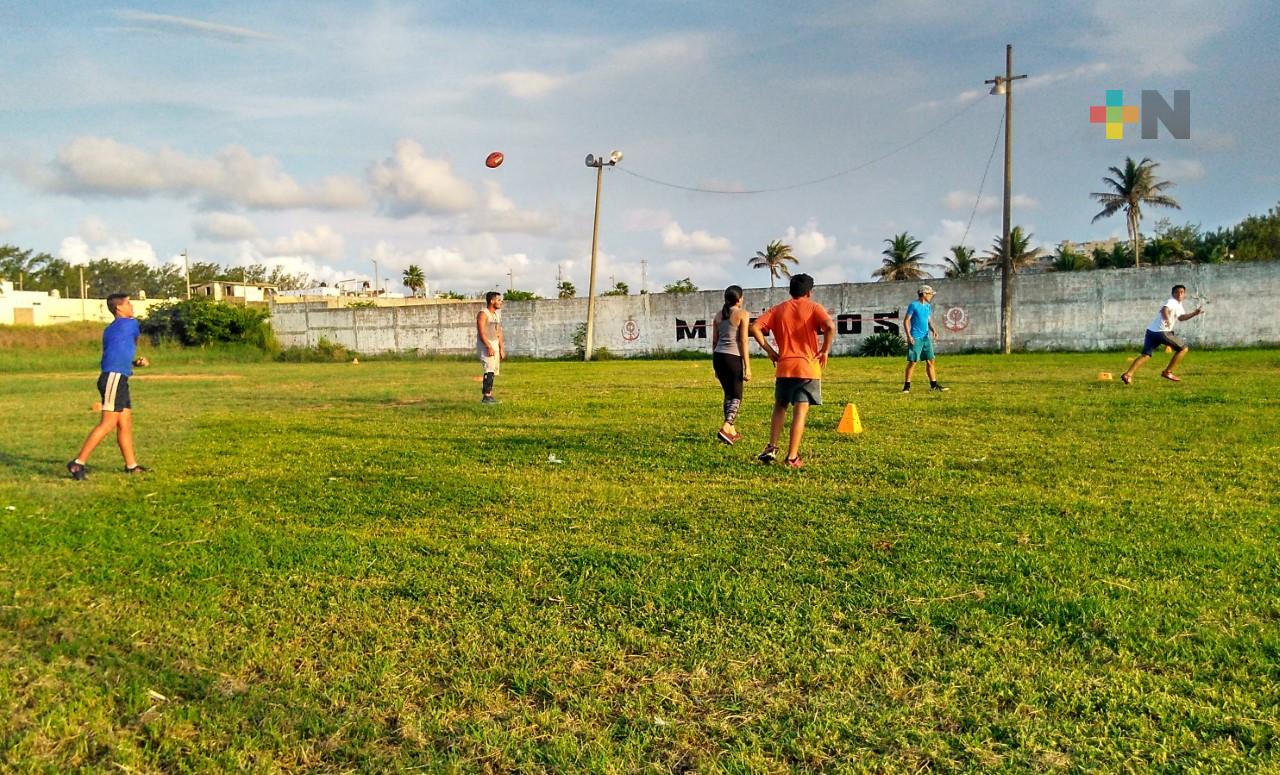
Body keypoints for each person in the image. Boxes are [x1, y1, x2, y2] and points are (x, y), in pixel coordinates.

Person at [749, 273, 836, 469]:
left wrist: (770, 351)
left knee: (780, 407)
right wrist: (825, 350)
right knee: (800, 412)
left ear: (790, 291)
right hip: (808, 367)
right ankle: (792, 457)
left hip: (785, 366)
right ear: (809, 292)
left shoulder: (779, 309)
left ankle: (771, 447)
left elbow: (755, 327)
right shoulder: (814, 307)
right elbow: (829, 326)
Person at [66, 293, 150, 480]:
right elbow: (132, 343)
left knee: (124, 423)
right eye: (128, 303)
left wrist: (134, 363)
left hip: (117, 376)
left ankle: (131, 466)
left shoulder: (109, 330)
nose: (132, 305)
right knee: (108, 423)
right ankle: (78, 463)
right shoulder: (131, 324)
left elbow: (118, 354)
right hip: (114, 378)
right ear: (119, 308)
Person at [1121, 284, 1203, 384]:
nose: (1179, 294)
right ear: (1173, 294)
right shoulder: (1171, 301)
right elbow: (1165, 309)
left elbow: (1181, 317)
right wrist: (1167, 319)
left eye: (1182, 292)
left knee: (1146, 355)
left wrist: (1194, 313)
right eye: (1177, 292)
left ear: (1184, 294)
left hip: (1151, 331)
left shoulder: (1178, 305)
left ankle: (1128, 374)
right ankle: (1167, 372)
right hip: (1161, 331)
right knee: (1183, 348)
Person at [711, 285, 752, 444]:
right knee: (736, 395)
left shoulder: (718, 316)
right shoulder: (742, 314)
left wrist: (714, 366)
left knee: (728, 394)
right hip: (733, 358)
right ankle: (726, 426)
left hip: (719, 358)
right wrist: (747, 366)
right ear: (739, 299)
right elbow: (743, 341)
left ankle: (731, 430)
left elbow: (714, 341)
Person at [902, 284, 947, 393]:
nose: (931, 296)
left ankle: (934, 386)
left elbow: (928, 320)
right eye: (930, 294)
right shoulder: (913, 305)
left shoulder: (927, 306)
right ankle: (906, 387)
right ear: (924, 294)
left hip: (926, 338)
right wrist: (909, 336)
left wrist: (933, 330)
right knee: (913, 362)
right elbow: (906, 321)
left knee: (931, 361)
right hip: (916, 337)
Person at [476, 291, 505, 403]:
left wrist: (501, 348)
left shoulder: (496, 315)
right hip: (486, 345)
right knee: (489, 369)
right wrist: (488, 346)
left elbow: (499, 332)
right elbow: (481, 332)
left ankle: (489, 395)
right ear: (492, 301)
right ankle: (486, 397)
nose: (501, 302)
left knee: (493, 371)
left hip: (495, 344)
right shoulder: (483, 314)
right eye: (498, 300)